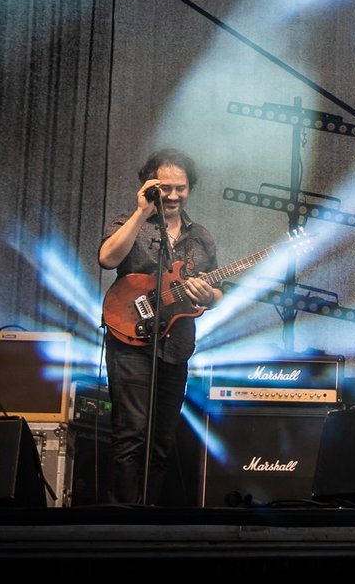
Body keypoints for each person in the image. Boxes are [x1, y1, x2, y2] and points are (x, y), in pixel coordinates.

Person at [97, 148, 222, 506]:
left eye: (180, 188)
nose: (173, 195)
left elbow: (217, 292)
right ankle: (123, 517)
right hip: (130, 339)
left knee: (162, 439)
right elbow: (107, 258)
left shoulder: (201, 237)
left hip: (176, 345)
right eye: (164, 187)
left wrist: (209, 295)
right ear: (149, 186)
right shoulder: (129, 223)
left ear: (190, 189)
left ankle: (149, 513)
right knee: (131, 432)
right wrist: (141, 212)